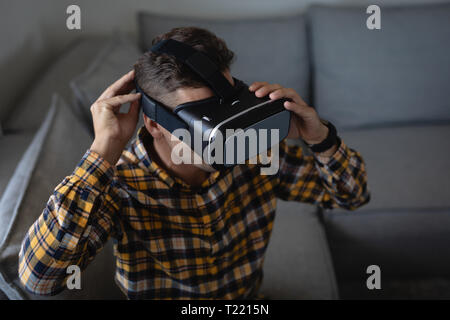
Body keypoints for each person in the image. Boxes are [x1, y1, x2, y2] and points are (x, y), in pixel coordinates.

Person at [18, 27, 369, 299]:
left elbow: (351, 196)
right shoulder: (120, 186)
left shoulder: (254, 153)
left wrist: (319, 137)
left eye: (227, 108)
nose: (223, 134)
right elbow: (40, 278)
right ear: (155, 124)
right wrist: (104, 149)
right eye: (204, 121)